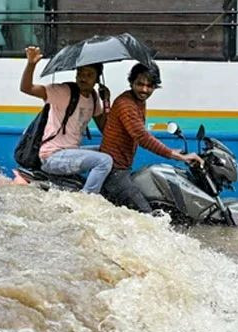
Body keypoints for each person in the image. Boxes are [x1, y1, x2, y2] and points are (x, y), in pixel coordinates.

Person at [99, 63, 204, 213]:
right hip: (115, 172)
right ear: (131, 82)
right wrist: (175, 155)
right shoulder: (126, 104)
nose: (144, 89)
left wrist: (175, 152)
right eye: (140, 84)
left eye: (150, 86)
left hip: (123, 168)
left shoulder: (138, 101)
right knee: (147, 218)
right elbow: (142, 137)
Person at [19, 46, 113, 194]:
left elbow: (105, 129)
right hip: (52, 157)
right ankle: (86, 200)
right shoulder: (63, 92)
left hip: (70, 152)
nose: (83, 77)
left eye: (89, 74)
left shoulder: (94, 98)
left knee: (110, 152)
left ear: (97, 79)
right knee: (104, 161)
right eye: (80, 73)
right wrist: (31, 64)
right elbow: (26, 88)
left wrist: (106, 101)